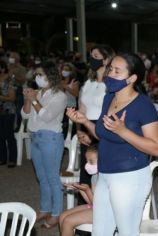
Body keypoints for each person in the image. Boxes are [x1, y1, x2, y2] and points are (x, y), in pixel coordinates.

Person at [67, 53, 158, 236]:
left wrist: (123, 131)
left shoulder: (143, 105)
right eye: (110, 69)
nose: (110, 74)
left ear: (132, 78)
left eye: (117, 71)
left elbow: (156, 148)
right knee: (100, 232)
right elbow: (104, 135)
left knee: (127, 232)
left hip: (130, 177)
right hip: (105, 175)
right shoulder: (109, 98)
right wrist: (86, 122)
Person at [21, 61, 67, 228]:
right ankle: (45, 209)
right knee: (41, 177)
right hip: (35, 138)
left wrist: (34, 100)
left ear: (51, 76)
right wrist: (28, 99)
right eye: (36, 75)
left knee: (52, 177)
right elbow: (25, 116)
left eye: (41, 74)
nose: (37, 77)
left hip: (51, 139)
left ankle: (56, 214)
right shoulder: (38, 93)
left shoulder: (60, 96)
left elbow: (47, 116)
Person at [77, 44, 114, 196]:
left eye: (96, 57)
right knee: (87, 169)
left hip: (102, 128)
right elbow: (82, 109)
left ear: (106, 60)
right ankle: (86, 203)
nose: (93, 60)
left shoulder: (111, 84)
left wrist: (92, 132)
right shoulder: (88, 83)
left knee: (101, 169)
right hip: (86, 128)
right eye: (91, 56)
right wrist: (79, 131)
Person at [59, 144, 98, 236]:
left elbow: (98, 206)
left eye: (91, 162)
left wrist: (87, 190)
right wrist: (79, 189)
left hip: (107, 211)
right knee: (62, 216)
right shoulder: (94, 176)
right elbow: (91, 201)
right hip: (95, 207)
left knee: (68, 221)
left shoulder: (106, 178)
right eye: (87, 161)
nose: (87, 165)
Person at [0, 60, 17, 167]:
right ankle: (2, 158)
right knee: (0, 136)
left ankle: (12, 159)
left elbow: (12, 98)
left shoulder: (10, 80)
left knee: (9, 135)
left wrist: (1, 97)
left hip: (8, 111)